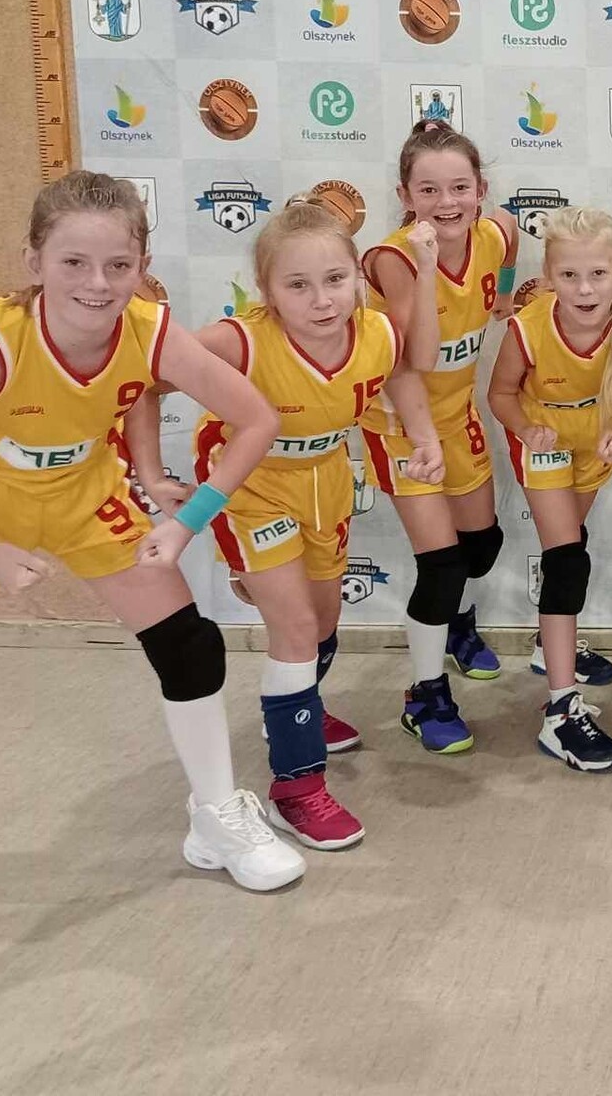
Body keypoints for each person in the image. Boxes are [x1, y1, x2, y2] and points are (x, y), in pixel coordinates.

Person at [0, 174, 304, 1001]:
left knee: (191, 647)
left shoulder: (150, 330)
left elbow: (257, 419)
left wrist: (188, 520)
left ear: (142, 265)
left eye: (118, 264)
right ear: (34, 261)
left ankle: (214, 818)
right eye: (73, 261)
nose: (97, 283)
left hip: (84, 497)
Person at [126, 199, 442, 851]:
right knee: (295, 627)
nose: (321, 299)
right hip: (251, 487)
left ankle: (295, 707)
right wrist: (151, 473)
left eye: (335, 279)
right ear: (267, 291)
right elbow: (145, 381)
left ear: (357, 277)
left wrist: (424, 435)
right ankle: (295, 788)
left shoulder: (379, 333)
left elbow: (404, 374)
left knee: (322, 623)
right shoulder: (239, 340)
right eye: (297, 285)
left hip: (327, 479)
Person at [359, 121, 518, 753]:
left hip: (457, 415)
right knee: (443, 565)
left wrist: (503, 299)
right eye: (428, 190)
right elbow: (416, 360)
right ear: (405, 196)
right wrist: (426, 268)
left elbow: (509, 240)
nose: (446, 203)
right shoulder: (394, 260)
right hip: (401, 423)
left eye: (459, 188)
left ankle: (458, 626)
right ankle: (424, 697)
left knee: (482, 544)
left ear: (480, 190)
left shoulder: (495, 232)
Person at [486, 208, 612, 772]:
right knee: (566, 561)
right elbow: (501, 394)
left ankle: (549, 644)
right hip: (544, 442)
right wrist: (524, 428)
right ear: (549, 275)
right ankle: (560, 713)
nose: (584, 289)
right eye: (569, 276)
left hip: (593, 440)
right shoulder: (529, 327)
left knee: (571, 543)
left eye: (597, 274)